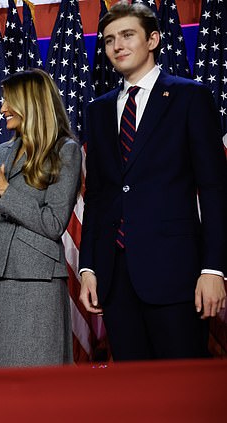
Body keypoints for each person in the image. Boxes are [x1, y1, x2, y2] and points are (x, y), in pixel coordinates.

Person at [79, 1, 227, 361]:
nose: (118, 46)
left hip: (177, 275)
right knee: (133, 395)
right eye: (110, 39)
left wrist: (214, 268)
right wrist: (88, 268)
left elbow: (214, 189)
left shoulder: (190, 97)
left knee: (183, 393)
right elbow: (97, 196)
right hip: (115, 279)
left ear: (154, 40)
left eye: (128, 35)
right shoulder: (98, 110)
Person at [0, 70, 82, 367]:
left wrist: (3, 188)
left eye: (8, 100)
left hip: (36, 280)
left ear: (30, 103)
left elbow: (53, 223)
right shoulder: (2, 151)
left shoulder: (65, 151)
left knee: (37, 375)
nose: (2, 108)